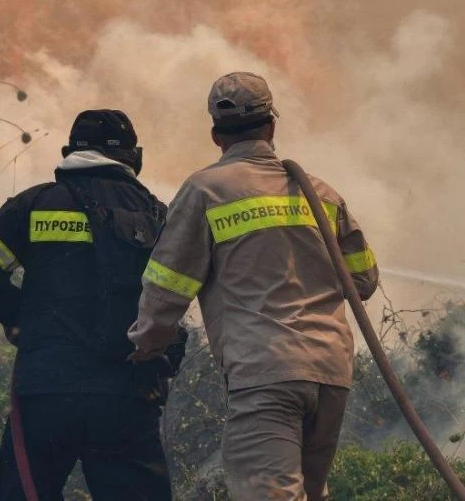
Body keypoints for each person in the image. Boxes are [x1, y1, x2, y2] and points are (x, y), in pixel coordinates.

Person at [128, 72, 380, 500]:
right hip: (330, 375)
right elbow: (364, 280)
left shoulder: (206, 190)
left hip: (265, 374)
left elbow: (168, 283)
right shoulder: (321, 194)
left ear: (215, 135)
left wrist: (146, 344)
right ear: (272, 126)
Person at [0, 109, 183, 501]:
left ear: (69, 152)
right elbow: (174, 300)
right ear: (134, 157)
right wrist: (164, 355)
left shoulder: (33, 204)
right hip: (125, 394)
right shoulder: (155, 215)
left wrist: (19, 319)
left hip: (45, 391)